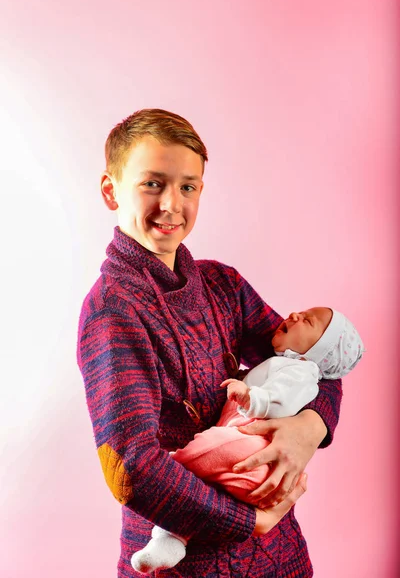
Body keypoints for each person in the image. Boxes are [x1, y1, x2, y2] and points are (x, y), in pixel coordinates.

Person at [77, 108, 344, 577]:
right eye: (152, 183)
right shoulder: (111, 311)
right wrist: (248, 519)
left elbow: (316, 359)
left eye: (188, 186)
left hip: (281, 553)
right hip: (186, 561)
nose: (171, 205)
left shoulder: (222, 282)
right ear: (110, 190)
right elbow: (130, 467)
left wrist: (310, 429)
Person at [131, 307, 364, 573]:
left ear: (318, 353)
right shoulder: (285, 362)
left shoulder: (302, 370)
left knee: (211, 447)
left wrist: (260, 402)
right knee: (211, 455)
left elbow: (285, 397)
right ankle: (169, 537)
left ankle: (175, 466)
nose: (295, 314)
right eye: (301, 312)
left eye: (308, 320)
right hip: (245, 461)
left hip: (252, 441)